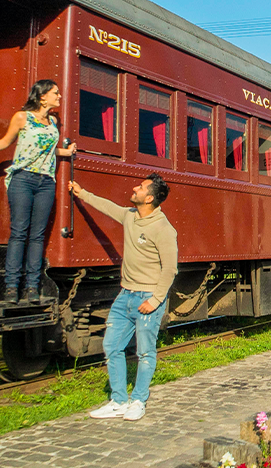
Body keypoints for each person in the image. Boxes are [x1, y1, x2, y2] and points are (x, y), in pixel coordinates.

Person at [72, 174, 178, 422]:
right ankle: (119, 401)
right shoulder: (130, 216)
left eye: (140, 187)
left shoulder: (163, 229)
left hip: (147, 296)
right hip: (125, 295)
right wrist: (82, 193)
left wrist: (155, 300)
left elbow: (170, 269)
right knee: (111, 346)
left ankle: (139, 400)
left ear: (149, 198)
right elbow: (108, 207)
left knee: (145, 352)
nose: (134, 188)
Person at [0, 80, 76, 304]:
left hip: (46, 182)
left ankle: (32, 286)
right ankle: (12, 287)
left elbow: (45, 147)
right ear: (42, 97)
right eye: (55, 93)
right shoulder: (22, 117)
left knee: (38, 235)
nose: (59, 97)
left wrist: (66, 153)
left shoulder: (53, 121)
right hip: (23, 179)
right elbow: (7, 141)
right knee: (19, 231)